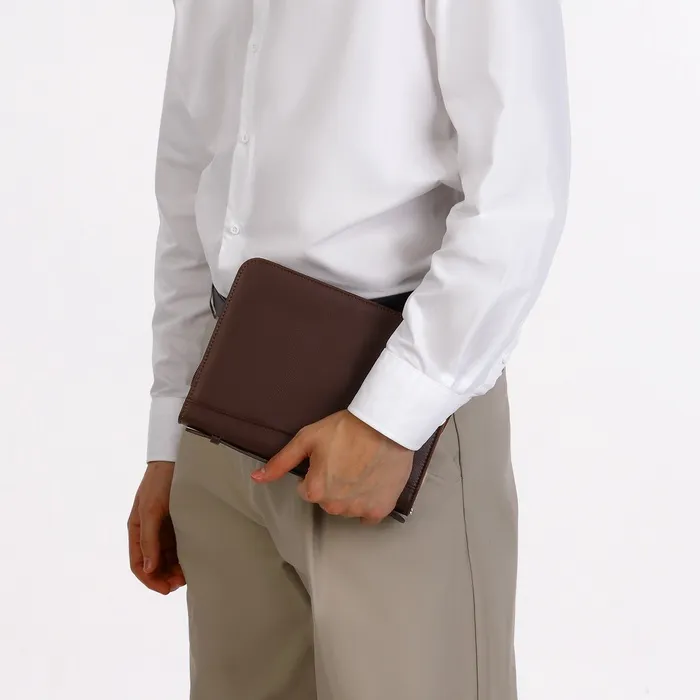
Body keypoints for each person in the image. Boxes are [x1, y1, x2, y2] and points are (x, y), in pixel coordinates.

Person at [127, 1, 570, 698]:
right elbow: (191, 182)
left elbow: (519, 193)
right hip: (221, 410)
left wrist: (390, 420)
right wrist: (170, 438)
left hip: (395, 427)